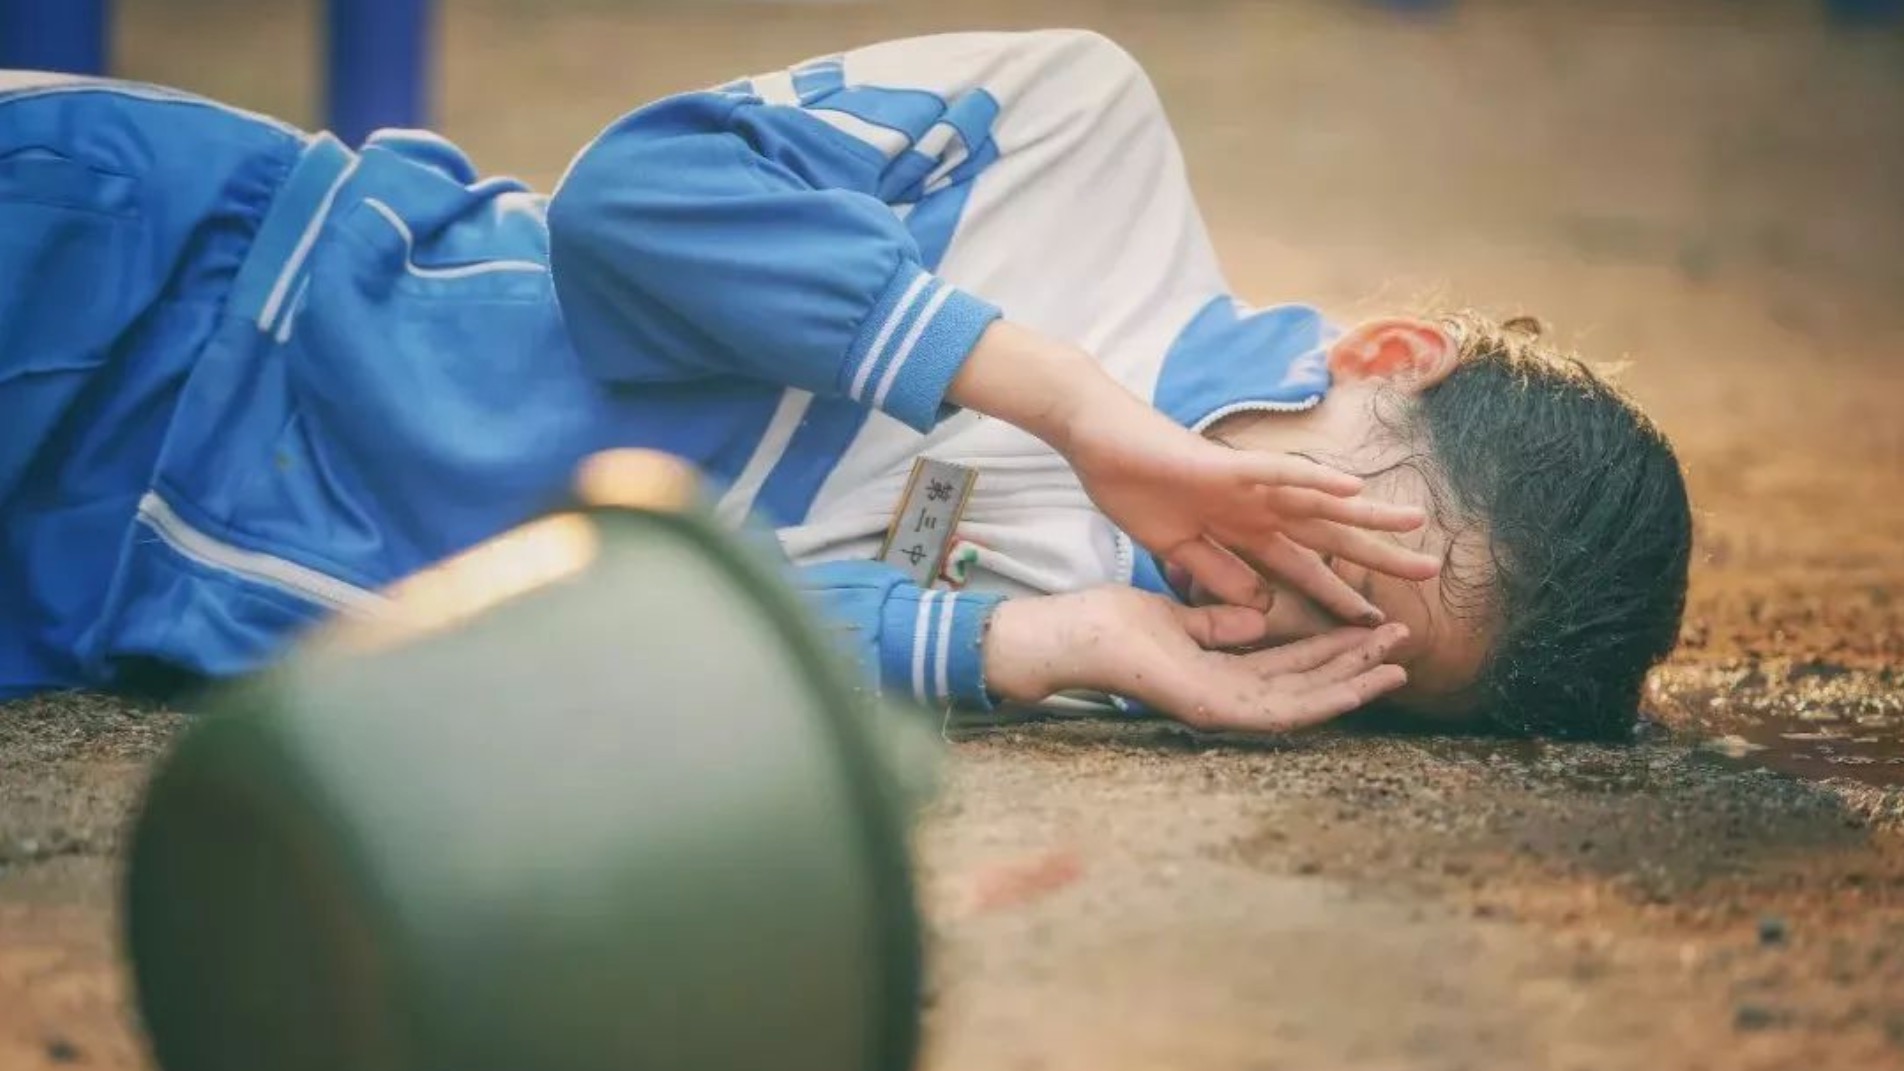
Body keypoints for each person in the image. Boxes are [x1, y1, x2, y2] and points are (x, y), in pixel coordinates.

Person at [0, 30, 1690, 738]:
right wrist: (1068, 406)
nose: (1260, 597)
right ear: (1387, 356)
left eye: (1336, 644)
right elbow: (632, 202)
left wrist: (1039, 643)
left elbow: (610, 641)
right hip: (167, 286)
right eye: (1328, 531)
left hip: (109, 598)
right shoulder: (1080, 137)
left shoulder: (1124, 658)